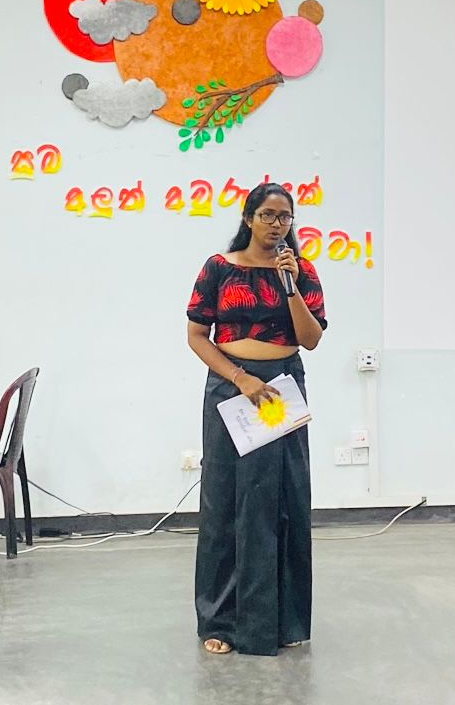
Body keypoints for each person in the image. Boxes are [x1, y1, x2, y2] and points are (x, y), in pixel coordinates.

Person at [186, 182, 327, 657]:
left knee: (283, 500)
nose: (277, 224)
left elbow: (311, 339)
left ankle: (280, 621)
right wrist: (241, 378)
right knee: (227, 502)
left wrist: (291, 287)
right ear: (248, 218)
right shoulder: (219, 268)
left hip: (282, 389)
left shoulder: (302, 271)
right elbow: (197, 336)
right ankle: (222, 622)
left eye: (285, 217)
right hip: (231, 388)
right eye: (267, 215)